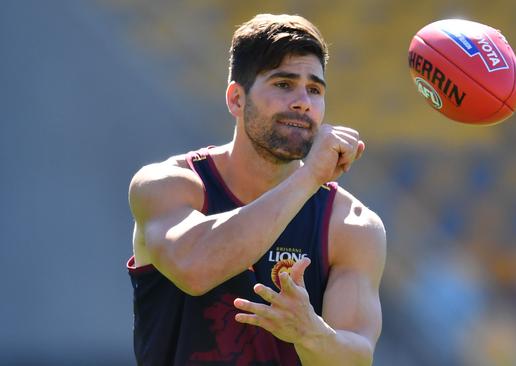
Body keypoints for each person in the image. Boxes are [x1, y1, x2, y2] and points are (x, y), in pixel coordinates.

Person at [126, 13, 386, 366]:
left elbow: (356, 357)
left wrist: (309, 331)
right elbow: (195, 267)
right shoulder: (167, 185)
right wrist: (308, 178)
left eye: (314, 89)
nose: (302, 102)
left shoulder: (351, 225)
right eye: (283, 84)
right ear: (236, 99)